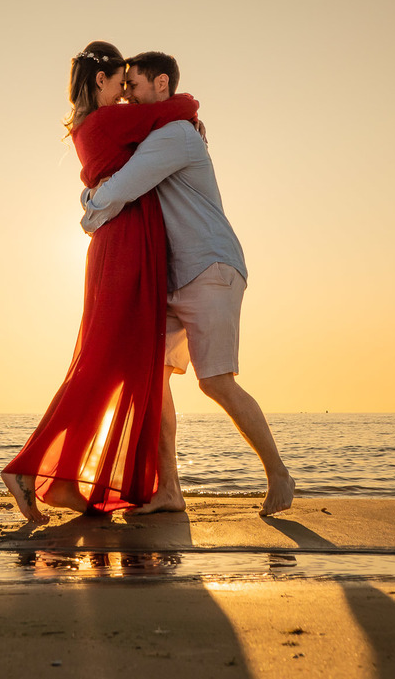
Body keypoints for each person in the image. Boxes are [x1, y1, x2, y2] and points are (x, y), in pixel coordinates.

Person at [81, 51, 295, 517]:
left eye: (133, 86)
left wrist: (87, 203)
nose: (127, 97)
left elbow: (120, 188)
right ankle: (170, 491)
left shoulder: (175, 135)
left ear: (161, 85)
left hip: (210, 268)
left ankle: (278, 473)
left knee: (216, 381)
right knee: (152, 381)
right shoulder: (164, 130)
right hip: (176, 275)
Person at [2, 41, 202, 524]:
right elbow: (183, 105)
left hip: (121, 246)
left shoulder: (90, 127)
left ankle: (68, 478)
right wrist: (182, 107)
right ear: (99, 81)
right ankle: (28, 469)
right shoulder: (107, 121)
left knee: (111, 363)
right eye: (120, 85)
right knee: (103, 361)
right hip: (127, 248)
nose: (125, 96)